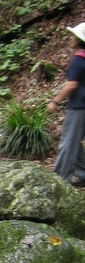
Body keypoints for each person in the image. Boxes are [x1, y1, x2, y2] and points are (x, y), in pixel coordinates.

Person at [48, 21, 85, 186]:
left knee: (68, 142)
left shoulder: (78, 60)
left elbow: (71, 84)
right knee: (75, 142)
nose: (70, 38)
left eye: (73, 36)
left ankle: (61, 178)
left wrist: (55, 101)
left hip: (78, 107)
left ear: (79, 39)